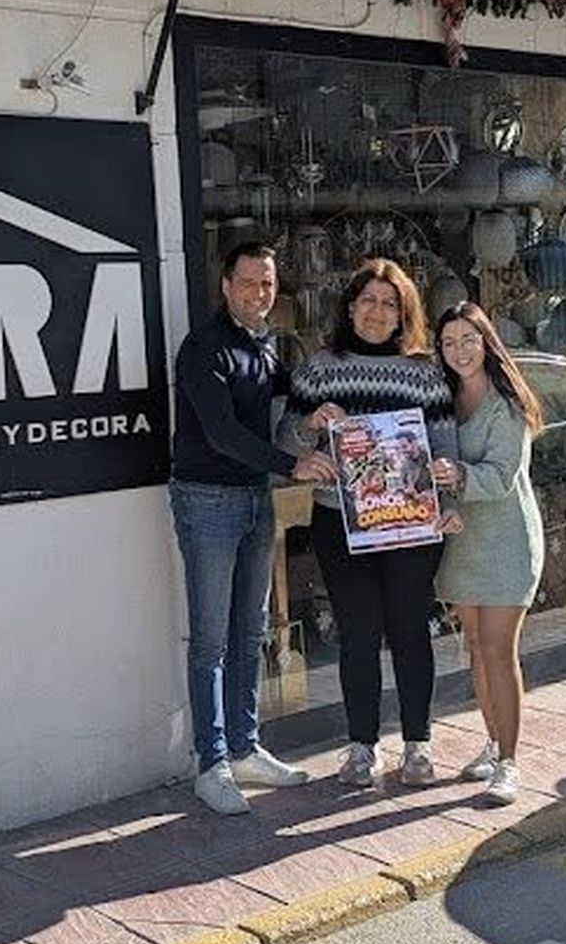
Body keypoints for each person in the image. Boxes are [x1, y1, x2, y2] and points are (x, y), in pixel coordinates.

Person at [169, 242, 338, 816]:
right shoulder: (203, 349)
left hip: (254, 500)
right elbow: (221, 433)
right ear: (225, 285)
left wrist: (317, 416)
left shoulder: (265, 348)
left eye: (267, 284)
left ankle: (244, 749)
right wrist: (291, 465)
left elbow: (293, 399)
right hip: (208, 502)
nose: (258, 293)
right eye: (248, 283)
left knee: (251, 632)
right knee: (211, 639)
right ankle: (210, 762)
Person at [283, 260, 458, 788]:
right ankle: (362, 748)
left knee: (409, 630)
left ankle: (418, 746)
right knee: (358, 634)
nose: (377, 312)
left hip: (409, 524)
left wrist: (447, 493)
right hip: (340, 522)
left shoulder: (425, 371)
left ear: (403, 312)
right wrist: (310, 429)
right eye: (368, 301)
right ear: (350, 307)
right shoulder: (319, 369)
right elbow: (287, 440)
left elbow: (444, 440)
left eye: (389, 302)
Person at [430, 302, 546, 808]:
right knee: (476, 646)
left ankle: (510, 763)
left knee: (500, 651)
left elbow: (500, 477)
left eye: (468, 340)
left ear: (487, 342)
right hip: (462, 541)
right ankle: (494, 742)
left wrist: (455, 477)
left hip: (505, 542)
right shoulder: (443, 400)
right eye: (449, 342)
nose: (459, 351)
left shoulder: (508, 405)